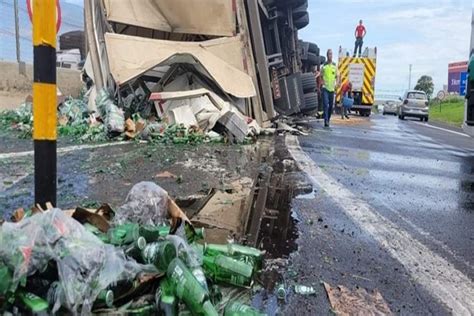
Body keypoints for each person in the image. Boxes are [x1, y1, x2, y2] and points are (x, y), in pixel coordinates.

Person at [321, 49, 337, 127]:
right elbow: (320, 75)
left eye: (331, 54)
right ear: (327, 55)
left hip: (332, 89)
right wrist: (321, 83)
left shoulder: (334, 65)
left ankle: (328, 118)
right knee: (325, 104)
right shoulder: (324, 66)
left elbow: (338, 76)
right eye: (329, 54)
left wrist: (338, 84)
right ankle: (326, 120)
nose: (330, 55)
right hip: (325, 88)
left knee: (331, 106)